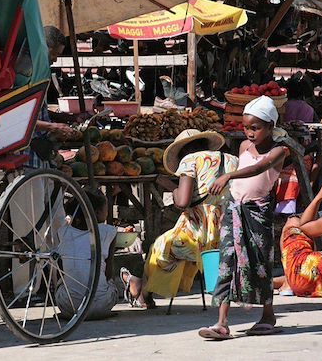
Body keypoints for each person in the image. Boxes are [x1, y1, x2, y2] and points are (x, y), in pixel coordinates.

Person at [198, 96, 287, 339]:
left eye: (255, 128)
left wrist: (229, 176)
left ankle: (268, 314)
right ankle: (222, 322)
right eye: (246, 127)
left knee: (261, 263)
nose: (249, 133)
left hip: (258, 215)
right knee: (227, 262)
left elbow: (259, 169)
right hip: (234, 212)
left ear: (270, 126)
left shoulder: (280, 150)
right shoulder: (243, 148)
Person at [123, 129, 238, 308]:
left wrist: (170, 187)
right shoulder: (232, 160)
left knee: (160, 247)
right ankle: (141, 289)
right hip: (227, 230)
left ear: (184, 150)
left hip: (199, 233)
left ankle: (142, 291)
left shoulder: (190, 160)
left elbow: (182, 202)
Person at [55, 189, 121, 320]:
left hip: (69, 306)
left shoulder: (62, 232)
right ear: (97, 213)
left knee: (60, 284)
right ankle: (99, 310)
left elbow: (61, 271)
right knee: (113, 284)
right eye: (106, 210)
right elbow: (109, 273)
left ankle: (70, 312)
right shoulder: (109, 232)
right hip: (102, 305)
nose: (107, 213)